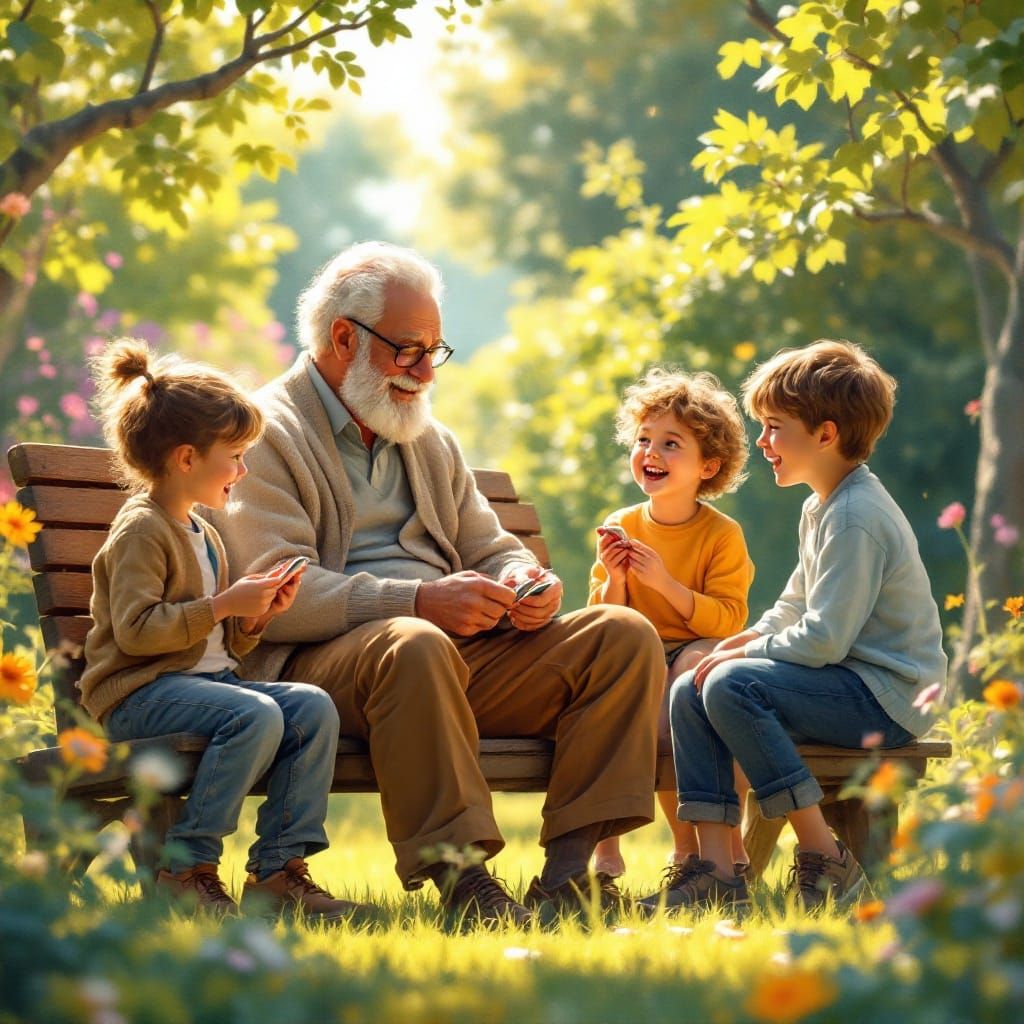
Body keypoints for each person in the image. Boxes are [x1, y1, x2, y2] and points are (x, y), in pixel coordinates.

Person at [211, 241, 665, 926]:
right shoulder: (265, 432)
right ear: (343, 337)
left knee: (622, 635)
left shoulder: (427, 438)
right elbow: (279, 595)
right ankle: (464, 882)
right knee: (414, 640)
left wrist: (523, 580)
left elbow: (491, 546)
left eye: (435, 350)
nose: (426, 371)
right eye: (409, 350)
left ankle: (570, 877)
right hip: (327, 671)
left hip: (443, 658)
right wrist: (418, 599)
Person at [642, 340, 947, 912]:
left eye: (774, 427)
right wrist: (738, 643)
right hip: (839, 682)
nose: (762, 442)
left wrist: (736, 663)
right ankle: (714, 870)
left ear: (825, 434)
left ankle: (824, 855)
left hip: (883, 696)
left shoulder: (856, 516)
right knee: (693, 683)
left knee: (731, 685)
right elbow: (791, 607)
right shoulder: (822, 505)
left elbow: (824, 637)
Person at [80, 338, 365, 922]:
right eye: (234, 456)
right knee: (254, 714)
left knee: (312, 707)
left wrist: (253, 616)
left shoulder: (203, 532)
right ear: (187, 459)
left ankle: (278, 870)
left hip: (202, 689)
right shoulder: (142, 530)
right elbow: (136, 634)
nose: (242, 470)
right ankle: (186, 866)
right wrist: (223, 604)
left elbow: (216, 646)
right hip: (139, 696)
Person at [587, 368, 754, 881]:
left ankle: (724, 840)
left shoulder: (722, 535)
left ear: (709, 465)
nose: (651, 452)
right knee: (643, 696)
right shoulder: (622, 524)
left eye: (670, 443)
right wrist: (616, 578)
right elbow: (603, 617)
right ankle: (683, 846)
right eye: (643, 439)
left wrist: (662, 583)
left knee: (692, 680)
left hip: (700, 646)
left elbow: (728, 617)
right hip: (637, 650)